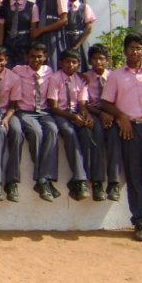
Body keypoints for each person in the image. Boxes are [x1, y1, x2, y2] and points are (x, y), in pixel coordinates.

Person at [100, 34, 142, 242]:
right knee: (134, 176)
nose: (135, 52)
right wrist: (122, 116)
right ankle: (140, 222)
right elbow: (105, 102)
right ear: (125, 51)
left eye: (139, 48)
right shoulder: (116, 76)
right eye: (131, 48)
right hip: (129, 130)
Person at [13, 43, 61, 201]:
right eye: (32, 56)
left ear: (45, 57)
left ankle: (43, 179)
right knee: (36, 132)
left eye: (40, 56)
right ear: (26, 57)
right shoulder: (18, 70)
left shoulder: (49, 71)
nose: (36, 60)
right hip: (25, 112)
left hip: (44, 112)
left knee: (53, 130)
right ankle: (43, 181)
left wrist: (83, 76)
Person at [46, 48, 92, 200]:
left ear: (79, 64)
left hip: (75, 113)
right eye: (67, 62)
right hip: (61, 114)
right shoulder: (55, 78)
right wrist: (72, 117)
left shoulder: (81, 79)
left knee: (87, 133)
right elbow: (53, 107)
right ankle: (80, 179)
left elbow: (82, 103)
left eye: (74, 62)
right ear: (61, 63)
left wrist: (85, 115)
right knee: (69, 133)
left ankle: (88, 176)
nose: (70, 65)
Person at [0, 45, 24, 202]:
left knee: (17, 132)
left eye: (1, 60)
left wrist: (7, 118)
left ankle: (12, 181)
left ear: (6, 60)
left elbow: (14, 104)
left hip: (9, 111)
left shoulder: (14, 77)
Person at [83, 45, 121, 201]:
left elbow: (119, 99)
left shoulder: (114, 76)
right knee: (96, 135)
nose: (98, 62)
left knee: (114, 136)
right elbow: (84, 103)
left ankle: (114, 183)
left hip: (111, 114)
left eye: (101, 58)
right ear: (90, 60)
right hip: (94, 112)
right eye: (94, 58)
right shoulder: (84, 77)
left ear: (107, 60)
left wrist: (111, 114)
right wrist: (100, 114)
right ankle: (97, 182)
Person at [30, 0, 68, 71]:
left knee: (53, 62)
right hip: (41, 37)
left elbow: (64, 20)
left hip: (54, 36)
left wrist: (41, 30)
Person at [0, 0, 34, 68]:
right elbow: (0, 31)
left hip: (25, 44)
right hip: (8, 44)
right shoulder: (2, 7)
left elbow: (33, 30)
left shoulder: (32, 6)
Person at [63, 0, 96, 72]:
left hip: (80, 40)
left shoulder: (84, 7)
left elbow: (88, 28)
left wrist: (78, 44)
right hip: (66, 40)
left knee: (81, 65)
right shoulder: (63, 8)